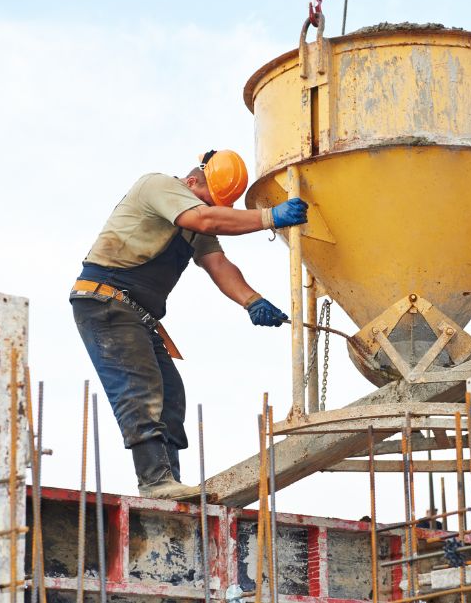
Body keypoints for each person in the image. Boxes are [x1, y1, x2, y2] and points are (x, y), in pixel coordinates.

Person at [70, 150, 308, 500]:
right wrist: (270, 217)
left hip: (136, 313)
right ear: (191, 182)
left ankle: (170, 482)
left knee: (170, 395)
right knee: (139, 388)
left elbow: (217, 263)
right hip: (105, 301)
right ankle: (154, 482)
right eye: (205, 202)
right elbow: (208, 220)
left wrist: (252, 300)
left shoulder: (195, 219)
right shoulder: (159, 186)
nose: (206, 209)